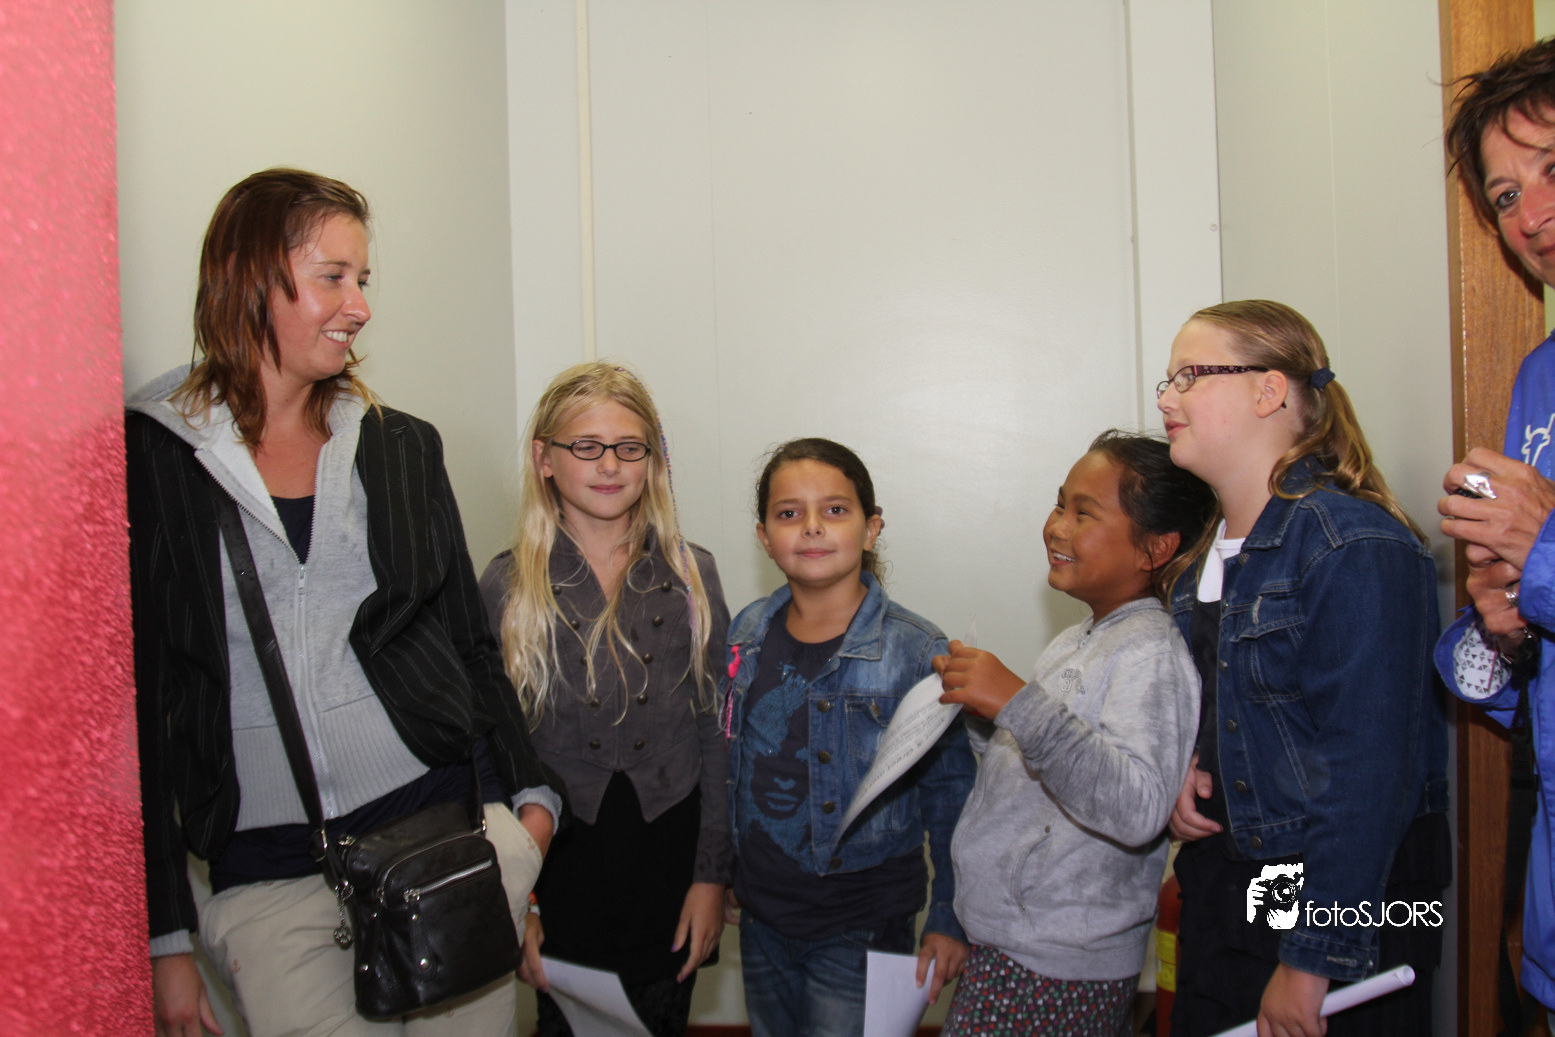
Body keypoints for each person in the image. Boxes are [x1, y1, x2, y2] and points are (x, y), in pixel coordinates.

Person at [127, 168, 560, 1037]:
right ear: (250, 277)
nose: (358, 307)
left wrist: (530, 807)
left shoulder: (400, 446)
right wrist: (166, 932)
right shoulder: (154, 456)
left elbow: (467, 643)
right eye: (333, 277)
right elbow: (143, 700)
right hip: (272, 880)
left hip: (443, 839)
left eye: (362, 280)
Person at [1156, 300, 1449, 1037]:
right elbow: (1242, 713)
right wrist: (1186, 766)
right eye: (1166, 380)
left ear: (1269, 390)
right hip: (1225, 888)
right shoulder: (1197, 567)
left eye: (1189, 376)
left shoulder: (1352, 546)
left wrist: (1313, 956)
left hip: (1337, 905)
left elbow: (1367, 769)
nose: (1165, 398)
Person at [932, 430, 1216, 1037]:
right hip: (1013, 943)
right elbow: (1049, 768)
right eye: (1059, 504)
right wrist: (985, 716)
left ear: (1155, 548)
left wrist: (1017, 702)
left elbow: (1137, 808)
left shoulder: (1151, 652)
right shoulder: (1077, 640)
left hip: (1056, 964)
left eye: (1083, 513)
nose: (1056, 527)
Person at [478, 361, 729, 1036]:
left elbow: (716, 731)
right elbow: (490, 755)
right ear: (545, 458)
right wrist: (519, 898)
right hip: (559, 859)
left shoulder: (692, 574)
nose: (610, 464)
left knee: (661, 1020)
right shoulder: (507, 584)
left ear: (653, 460)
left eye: (629, 447)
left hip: (668, 855)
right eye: (586, 446)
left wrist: (712, 877)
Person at [722, 437, 976, 1037]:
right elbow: (731, 762)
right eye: (789, 513)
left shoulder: (916, 649)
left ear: (871, 528)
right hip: (762, 916)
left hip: (863, 923)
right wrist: (727, 869)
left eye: (835, 509)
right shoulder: (746, 631)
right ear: (764, 536)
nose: (812, 526)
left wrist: (949, 916)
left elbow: (952, 795)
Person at [1438, 36, 1555, 1023]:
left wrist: (1543, 550)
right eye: (1506, 194)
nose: (1532, 215)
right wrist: (1501, 623)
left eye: (1552, 169)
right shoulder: (1537, 375)